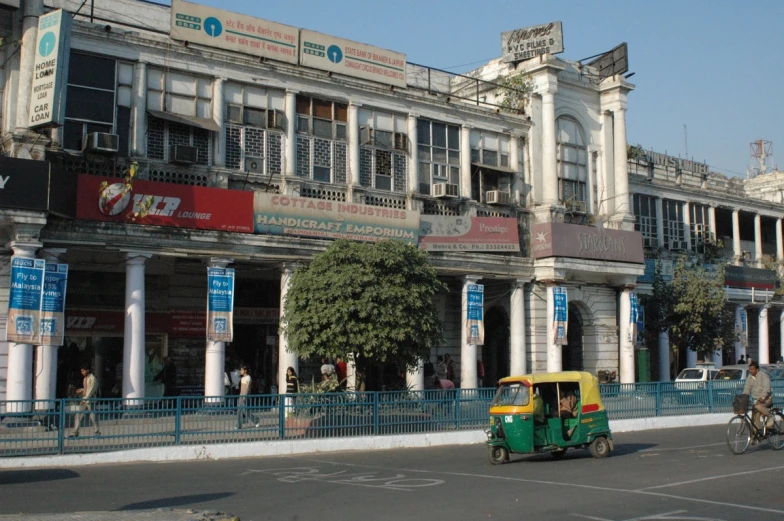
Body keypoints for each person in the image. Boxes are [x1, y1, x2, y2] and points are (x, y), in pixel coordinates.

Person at [742, 362, 773, 443]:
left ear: (757, 369)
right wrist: (744, 396)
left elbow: (767, 387)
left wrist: (763, 397)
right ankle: (757, 433)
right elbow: (747, 388)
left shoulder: (763, 375)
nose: (750, 371)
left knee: (757, 406)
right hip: (756, 400)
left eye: (752, 369)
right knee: (754, 416)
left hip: (766, 399)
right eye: (750, 370)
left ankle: (771, 416)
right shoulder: (749, 377)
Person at [70, 365, 100, 437]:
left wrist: (85, 399)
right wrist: (81, 390)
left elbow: (91, 390)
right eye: (81, 371)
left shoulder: (93, 378)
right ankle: (75, 433)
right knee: (78, 415)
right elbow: (87, 389)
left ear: (88, 370)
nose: (82, 372)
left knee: (93, 416)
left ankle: (97, 432)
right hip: (85, 399)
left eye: (83, 371)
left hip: (90, 400)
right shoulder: (85, 379)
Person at [236, 365, 258, 429]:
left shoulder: (248, 377)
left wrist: (245, 396)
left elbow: (247, 388)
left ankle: (256, 420)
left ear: (245, 371)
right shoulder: (242, 378)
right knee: (239, 410)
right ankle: (239, 425)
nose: (240, 371)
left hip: (245, 396)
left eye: (242, 370)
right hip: (241, 395)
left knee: (244, 410)